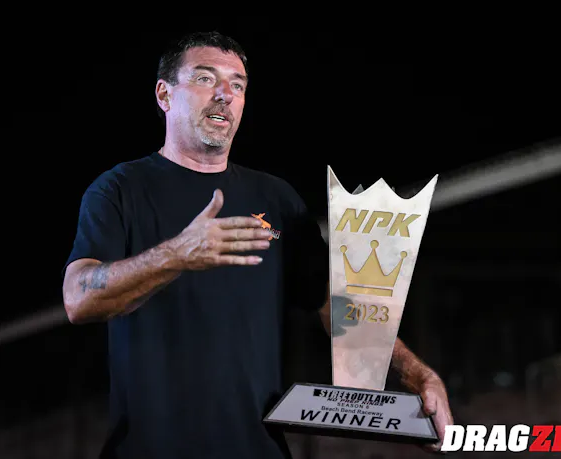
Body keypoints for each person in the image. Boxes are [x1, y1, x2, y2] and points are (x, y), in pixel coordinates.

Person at [62, 31, 453, 459]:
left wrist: (418, 375)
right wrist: (177, 254)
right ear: (164, 94)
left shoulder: (276, 200)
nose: (224, 94)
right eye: (205, 78)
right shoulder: (119, 190)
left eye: (237, 84)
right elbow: (77, 298)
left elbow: (338, 307)